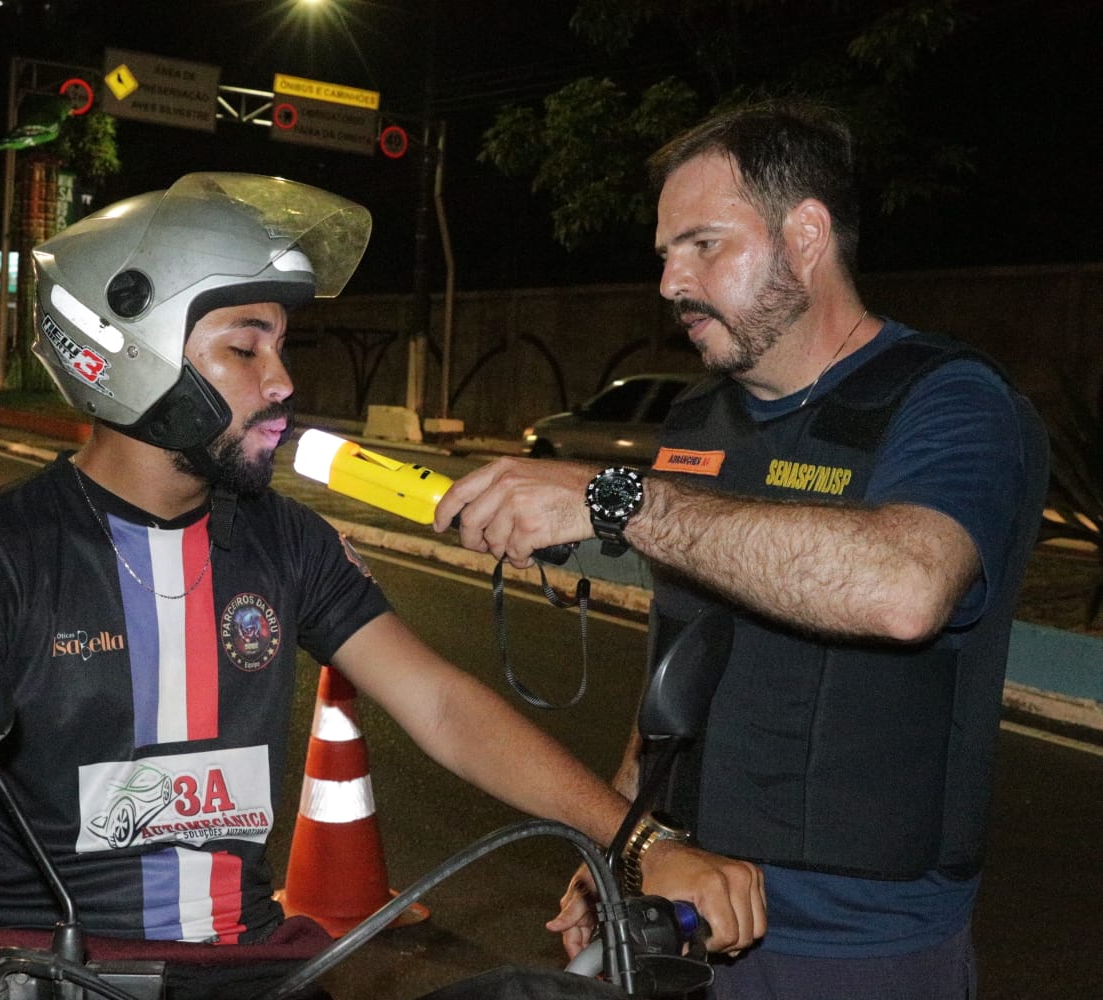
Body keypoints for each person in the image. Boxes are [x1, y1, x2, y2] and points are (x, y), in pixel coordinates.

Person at [0, 174, 765, 1000]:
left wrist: (641, 841)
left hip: (251, 970)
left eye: (281, 347)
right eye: (245, 347)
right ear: (126, 351)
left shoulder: (282, 540)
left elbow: (442, 705)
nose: (281, 381)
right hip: (45, 969)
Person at [434, 102, 1049, 999]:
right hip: (686, 908)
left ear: (806, 234)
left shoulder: (950, 401)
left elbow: (906, 589)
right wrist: (622, 846)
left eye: (703, 245)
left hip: (857, 945)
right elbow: (681, 659)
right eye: (664, 254)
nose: (670, 282)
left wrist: (615, 499)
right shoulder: (698, 419)